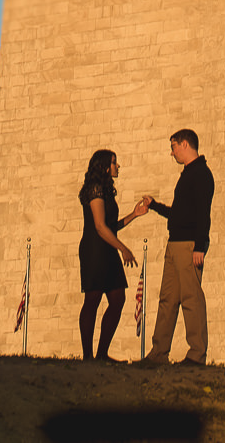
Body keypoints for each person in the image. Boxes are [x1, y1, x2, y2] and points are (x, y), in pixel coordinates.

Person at [135, 128, 214, 366]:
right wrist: (155, 206)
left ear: (185, 145)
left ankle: (196, 354)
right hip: (175, 243)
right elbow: (179, 214)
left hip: (189, 245)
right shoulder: (188, 174)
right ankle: (158, 353)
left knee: (191, 299)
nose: (172, 153)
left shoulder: (201, 174)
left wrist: (199, 246)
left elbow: (203, 214)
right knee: (168, 298)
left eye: (173, 147)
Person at [76, 148, 143, 361]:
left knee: (117, 298)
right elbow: (99, 226)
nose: (117, 166)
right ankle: (88, 355)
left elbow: (111, 226)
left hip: (108, 247)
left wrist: (134, 215)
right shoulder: (94, 188)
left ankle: (102, 353)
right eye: (114, 162)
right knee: (93, 298)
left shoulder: (105, 190)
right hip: (95, 249)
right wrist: (123, 248)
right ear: (104, 166)